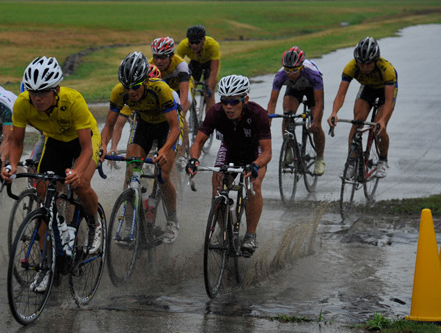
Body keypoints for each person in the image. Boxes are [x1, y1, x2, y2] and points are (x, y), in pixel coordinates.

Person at [0, 56, 103, 257]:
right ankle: (47, 259)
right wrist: (12, 165)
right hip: (55, 140)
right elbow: (17, 142)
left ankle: (94, 222)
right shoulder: (22, 104)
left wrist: (77, 171)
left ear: (55, 90)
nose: (37, 98)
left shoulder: (73, 100)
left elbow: (86, 148)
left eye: (42, 92)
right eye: (32, 92)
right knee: (42, 189)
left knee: (80, 184)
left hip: (84, 140)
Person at [100, 52, 183, 244]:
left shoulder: (161, 89)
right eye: (127, 87)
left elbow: (176, 127)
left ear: (146, 81)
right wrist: (104, 145)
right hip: (144, 125)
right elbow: (110, 125)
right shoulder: (119, 92)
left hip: (166, 128)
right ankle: (129, 221)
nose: (131, 92)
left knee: (162, 174)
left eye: (136, 86)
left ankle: (172, 220)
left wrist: (163, 150)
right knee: (131, 171)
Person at [186, 75, 272, 256]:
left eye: (234, 101)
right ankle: (223, 230)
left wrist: (255, 165)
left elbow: (267, 152)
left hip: (254, 154)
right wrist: (193, 159)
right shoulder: (216, 112)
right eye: (225, 101)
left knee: (254, 185)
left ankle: (250, 235)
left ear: (245, 99)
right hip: (230, 149)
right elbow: (198, 142)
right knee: (216, 186)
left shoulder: (258, 114)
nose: (228, 106)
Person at [327, 37, 397, 178]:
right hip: (367, 89)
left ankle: (383, 160)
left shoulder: (387, 70)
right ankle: (351, 162)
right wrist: (334, 112)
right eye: (361, 64)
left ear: (376, 61)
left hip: (385, 92)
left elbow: (389, 100)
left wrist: (383, 120)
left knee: (379, 127)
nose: (364, 68)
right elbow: (341, 94)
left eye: (368, 64)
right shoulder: (351, 67)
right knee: (357, 120)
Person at [267, 46, 326, 175]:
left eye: (294, 70)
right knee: (287, 113)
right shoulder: (280, 75)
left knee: (316, 125)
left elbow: (319, 102)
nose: (290, 74)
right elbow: (272, 102)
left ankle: (320, 157)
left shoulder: (313, 74)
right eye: (287, 70)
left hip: (312, 91)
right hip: (294, 89)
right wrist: (268, 119)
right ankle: (288, 147)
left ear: (301, 67)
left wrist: (315, 121)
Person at [175, 24, 220, 112]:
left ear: (203, 40)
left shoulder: (213, 45)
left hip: (209, 64)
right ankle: (192, 104)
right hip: (195, 63)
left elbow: (214, 69)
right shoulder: (183, 45)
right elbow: (176, 66)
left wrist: (209, 88)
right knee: (188, 88)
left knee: (209, 96)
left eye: (197, 42)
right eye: (191, 42)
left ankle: (209, 122)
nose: (194, 45)